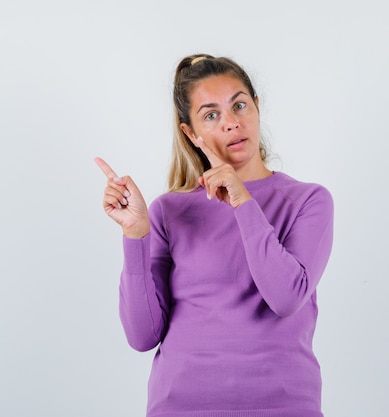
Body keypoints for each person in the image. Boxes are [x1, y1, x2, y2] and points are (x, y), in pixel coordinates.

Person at [95, 54, 334, 417]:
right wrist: (135, 234)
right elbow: (142, 336)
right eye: (211, 115)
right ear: (190, 133)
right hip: (180, 407)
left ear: (256, 106)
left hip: (283, 406)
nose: (231, 123)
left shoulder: (308, 200)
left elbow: (286, 298)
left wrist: (243, 202)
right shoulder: (169, 211)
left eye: (239, 105)